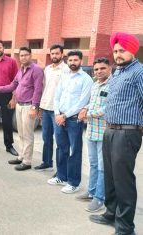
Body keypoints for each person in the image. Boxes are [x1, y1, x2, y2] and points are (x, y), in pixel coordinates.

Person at [89, 32, 143, 235]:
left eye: (122, 50)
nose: (118, 54)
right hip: (110, 130)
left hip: (127, 132)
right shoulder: (118, 72)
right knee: (110, 176)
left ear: (132, 50)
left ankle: (126, 227)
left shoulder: (139, 72)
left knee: (123, 180)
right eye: (116, 50)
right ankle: (111, 212)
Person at [0, 47, 43, 170]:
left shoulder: (36, 70)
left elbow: (38, 90)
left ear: (30, 55)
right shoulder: (21, 70)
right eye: (21, 55)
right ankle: (21, 157)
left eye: (26, 55)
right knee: (21, 134)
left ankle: (27, 162)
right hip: (19, 105)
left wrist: (35, 106)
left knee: (28, 135)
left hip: (29, 106)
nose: (23, 57)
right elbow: (12, 85)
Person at [47, 50, 93, 194]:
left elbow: (82, 102)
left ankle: (74, 182)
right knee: (61, 148)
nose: (73, 63)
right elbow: (57, 96)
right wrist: (56, 114)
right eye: (71, 60)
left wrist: (64, 116)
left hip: (73, 120)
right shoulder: (64, 77)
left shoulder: (86, 79)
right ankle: (61, 176)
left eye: (76, 60)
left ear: (81, 61)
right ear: (67, 61)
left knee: (75, 151)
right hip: (59, 118)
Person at [76, 57, 111, 212]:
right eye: (96, 69)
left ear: (109, 68)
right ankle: (91, 192)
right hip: (91, 131)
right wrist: (85, 108)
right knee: (94, 164)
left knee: (103, 167)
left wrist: (87, 114)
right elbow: (93, 103)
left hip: (104, 133)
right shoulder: (95, 85)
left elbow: (107, 108)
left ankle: (99, 198)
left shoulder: (113, 85)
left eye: (102, 68)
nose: (98, 71)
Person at [34, 44, 68, 171]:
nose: (54, 56)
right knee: (46, 138)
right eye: (52, 53)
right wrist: (40, 108)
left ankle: (60, 171)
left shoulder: (66, 69)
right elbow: (43, 89)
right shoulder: (47, 69)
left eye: (57, 53)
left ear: (62, 54)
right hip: (46, 107)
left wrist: (62, 112)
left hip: (58, 111)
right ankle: (47, 163)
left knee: (60, 141)